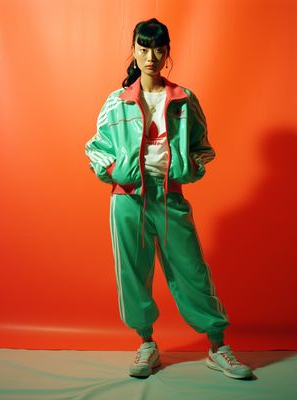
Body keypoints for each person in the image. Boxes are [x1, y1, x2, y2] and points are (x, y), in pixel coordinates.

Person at [85, 18, 252, 380]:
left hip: (169, 198)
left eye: (158, 49)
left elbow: (203, 149)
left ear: (167, 53)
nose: (150, 57)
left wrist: (187, 168)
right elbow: (95, 150)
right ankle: (146, 344)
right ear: (133, 50)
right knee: (133, 274)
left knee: (192, 270)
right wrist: (118, 171)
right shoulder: (117, 102)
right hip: (128, 201)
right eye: (143, 48)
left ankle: (218, 346)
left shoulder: (184, 100)